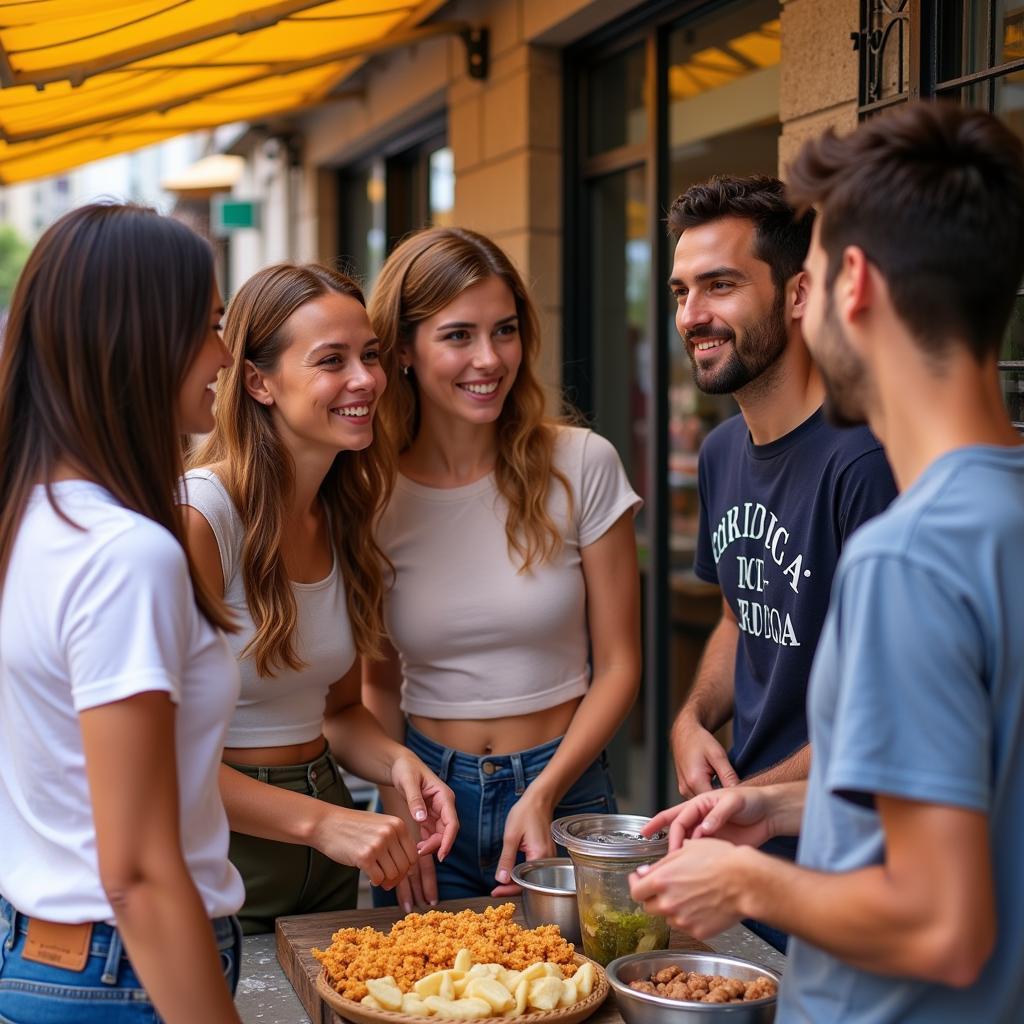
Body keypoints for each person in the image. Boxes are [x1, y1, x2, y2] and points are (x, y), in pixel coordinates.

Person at [631, 100, 1024, 1022]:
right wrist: (769, 817)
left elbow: (940, 924)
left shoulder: (909, 556)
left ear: (849, 286)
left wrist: (748, 886)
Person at [0, 203, 244, 1023]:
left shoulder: (27, 522)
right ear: (138, 340)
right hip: (124, 971)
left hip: (45, 952)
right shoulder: (120, 555)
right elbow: (136, 872)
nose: (222, 354)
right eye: (208, 325)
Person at [363, 227, 642, 910]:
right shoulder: (368, 493)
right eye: (458, 335)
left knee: (579, 1003)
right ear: (403, 349)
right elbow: (375, 684)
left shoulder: (582, 464)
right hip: (429, 803)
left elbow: (619, 665)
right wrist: (400, 804)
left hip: (567, 792)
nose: (488, 359)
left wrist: (543, 792)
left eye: (505, 331)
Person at [182, 263, 458, 935]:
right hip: (226, 858)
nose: (365, 380)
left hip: (332, 856)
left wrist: (400, 766)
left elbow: (337, 712)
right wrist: (325, 822)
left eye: (368, 355)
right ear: (259, 382)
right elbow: (163, 760)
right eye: (331, 361)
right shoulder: (203, 516)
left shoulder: (343, 514)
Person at [665, 176, 897, 949]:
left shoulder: (863, 462)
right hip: (747, 855)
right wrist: (695, 719)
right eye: (681, 291)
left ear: (799, 294)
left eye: (721, 285)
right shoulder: (723, 451)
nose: (693, 315)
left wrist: (748, 802)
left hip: (842, 870)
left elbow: (887, 709)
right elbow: (742, 611)